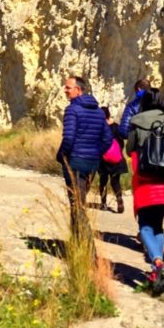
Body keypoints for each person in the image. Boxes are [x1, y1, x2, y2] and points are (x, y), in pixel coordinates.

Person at [127, 87, 164, 297]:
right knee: (158, 225)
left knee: (144, 226)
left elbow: (129, 150)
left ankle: (158, 262)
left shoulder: (135, 123)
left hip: (145, 181)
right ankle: (157, 267)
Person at [56, 76, 114, 236]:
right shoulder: (98, 111)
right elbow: (108, 138)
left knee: (77, 204)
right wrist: (96, 153)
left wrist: (62, 156)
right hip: (92, 164)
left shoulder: (72, 110)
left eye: (68, 88)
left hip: (74, 162)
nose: (65, 90)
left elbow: (68, 138)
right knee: (79, 201)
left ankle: (86, 245)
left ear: (78, 90)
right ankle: (77, 243)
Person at [96, 106, 129, 213]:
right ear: (109, 115)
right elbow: (121, 143)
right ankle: (119, 199)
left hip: (103, 160)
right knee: (115, 182)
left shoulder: (100, 128)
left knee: (103, 181)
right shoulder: (116, 127)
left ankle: (104, 203)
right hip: (116, 159)